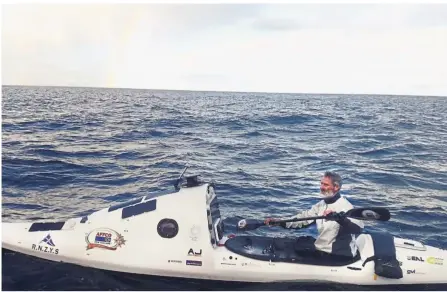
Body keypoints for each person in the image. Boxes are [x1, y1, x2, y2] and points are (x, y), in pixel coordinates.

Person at [264, 171, 364, 259]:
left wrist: (340, 219)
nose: (321, 187)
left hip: (337, 255)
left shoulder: (346, 207)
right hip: (321, 248)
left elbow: (357, 229)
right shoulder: (321, 205)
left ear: (336, 187)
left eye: (325, 185)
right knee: (296, 242)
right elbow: (303, 220)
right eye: (321, 184)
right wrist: (280, 222)